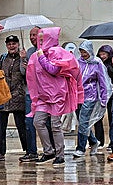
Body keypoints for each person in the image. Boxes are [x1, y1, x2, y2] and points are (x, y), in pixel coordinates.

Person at [26, 27, 84, 166]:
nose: (39, 42)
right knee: (38, 122)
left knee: (55, 125)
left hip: (57, 94)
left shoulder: (58, 53)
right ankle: (48, 151)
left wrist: (41, 57)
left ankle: (60, 154)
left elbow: (53, 70)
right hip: (43, 96)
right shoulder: (36, 55)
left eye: (42, 39)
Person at [18, 26, 55, 162]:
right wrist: (23, 61)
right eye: (31, 35)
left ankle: (53, 149)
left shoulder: (49, 51)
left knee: (49, 123)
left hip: (46, 93)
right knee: (30, 122)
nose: (32, 37)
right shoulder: (29, 52)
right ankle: (32, 152)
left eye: (35, 35)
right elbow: (24, 74)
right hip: (31, 93)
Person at [0, 35, 27, 162]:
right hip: (3, 95)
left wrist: (24, 59)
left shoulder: (23, 57)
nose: (12, 46)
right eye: (9, 44)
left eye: (14, 43)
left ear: (18, 44)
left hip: (18, 96)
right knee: (1, 126)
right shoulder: (2, 58)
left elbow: (27, 74)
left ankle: (28, 150)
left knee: (21, 125)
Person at [72, 40, 108, 158]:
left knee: (83, 121)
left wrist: (103, 99)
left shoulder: (97, 63)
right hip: (78, 96)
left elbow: (103, 82)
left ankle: (80, 148)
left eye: (85, 51)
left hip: (91, 96)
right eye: (81, 51)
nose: (83, 54)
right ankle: (93, 141)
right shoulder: (78, 63)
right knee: (83, 122)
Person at [95, 45, 113, 148]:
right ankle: (99, 141)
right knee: (98, 118)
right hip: (100, 93)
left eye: (104, 54)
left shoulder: (112, 64)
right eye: (101, 54)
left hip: (112, 93)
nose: (102, 56)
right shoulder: (97, 63)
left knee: (112, 117)